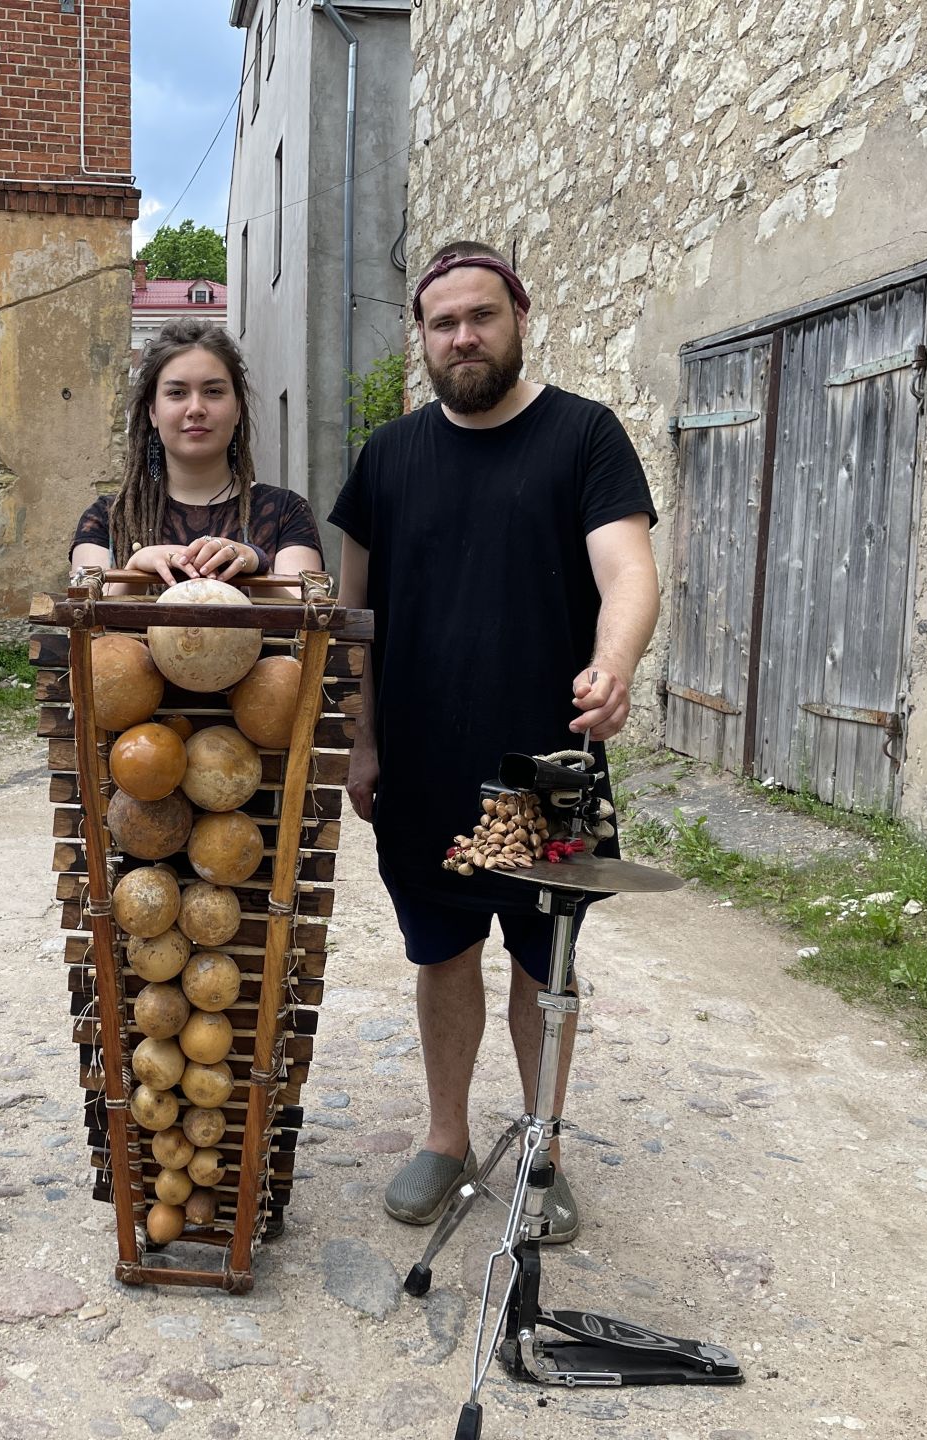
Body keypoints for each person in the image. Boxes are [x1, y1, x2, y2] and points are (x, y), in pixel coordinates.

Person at [330, 241, 660, 1242]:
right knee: (442, 956)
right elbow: (352, 622)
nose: (464, 336)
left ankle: (543, 1149)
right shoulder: (387, 458)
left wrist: (614, 663)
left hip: (545, 767)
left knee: (541, 965)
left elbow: (628, 572)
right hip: (423, 763)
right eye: (444, 323)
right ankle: (445, 1139)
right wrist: (361, 743)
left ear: (519, 318)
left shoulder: (584, 436)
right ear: (423, 340)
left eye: (482, 316)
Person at [71, 319, 325, 587]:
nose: (195, 409)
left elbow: (305, 609)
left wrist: (258, 564)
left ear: (237, 409)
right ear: (153, 411)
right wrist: (134, 571)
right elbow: (85, 609)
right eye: (177, 393)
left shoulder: (287, 512)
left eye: (213, 391)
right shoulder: (107, 518)